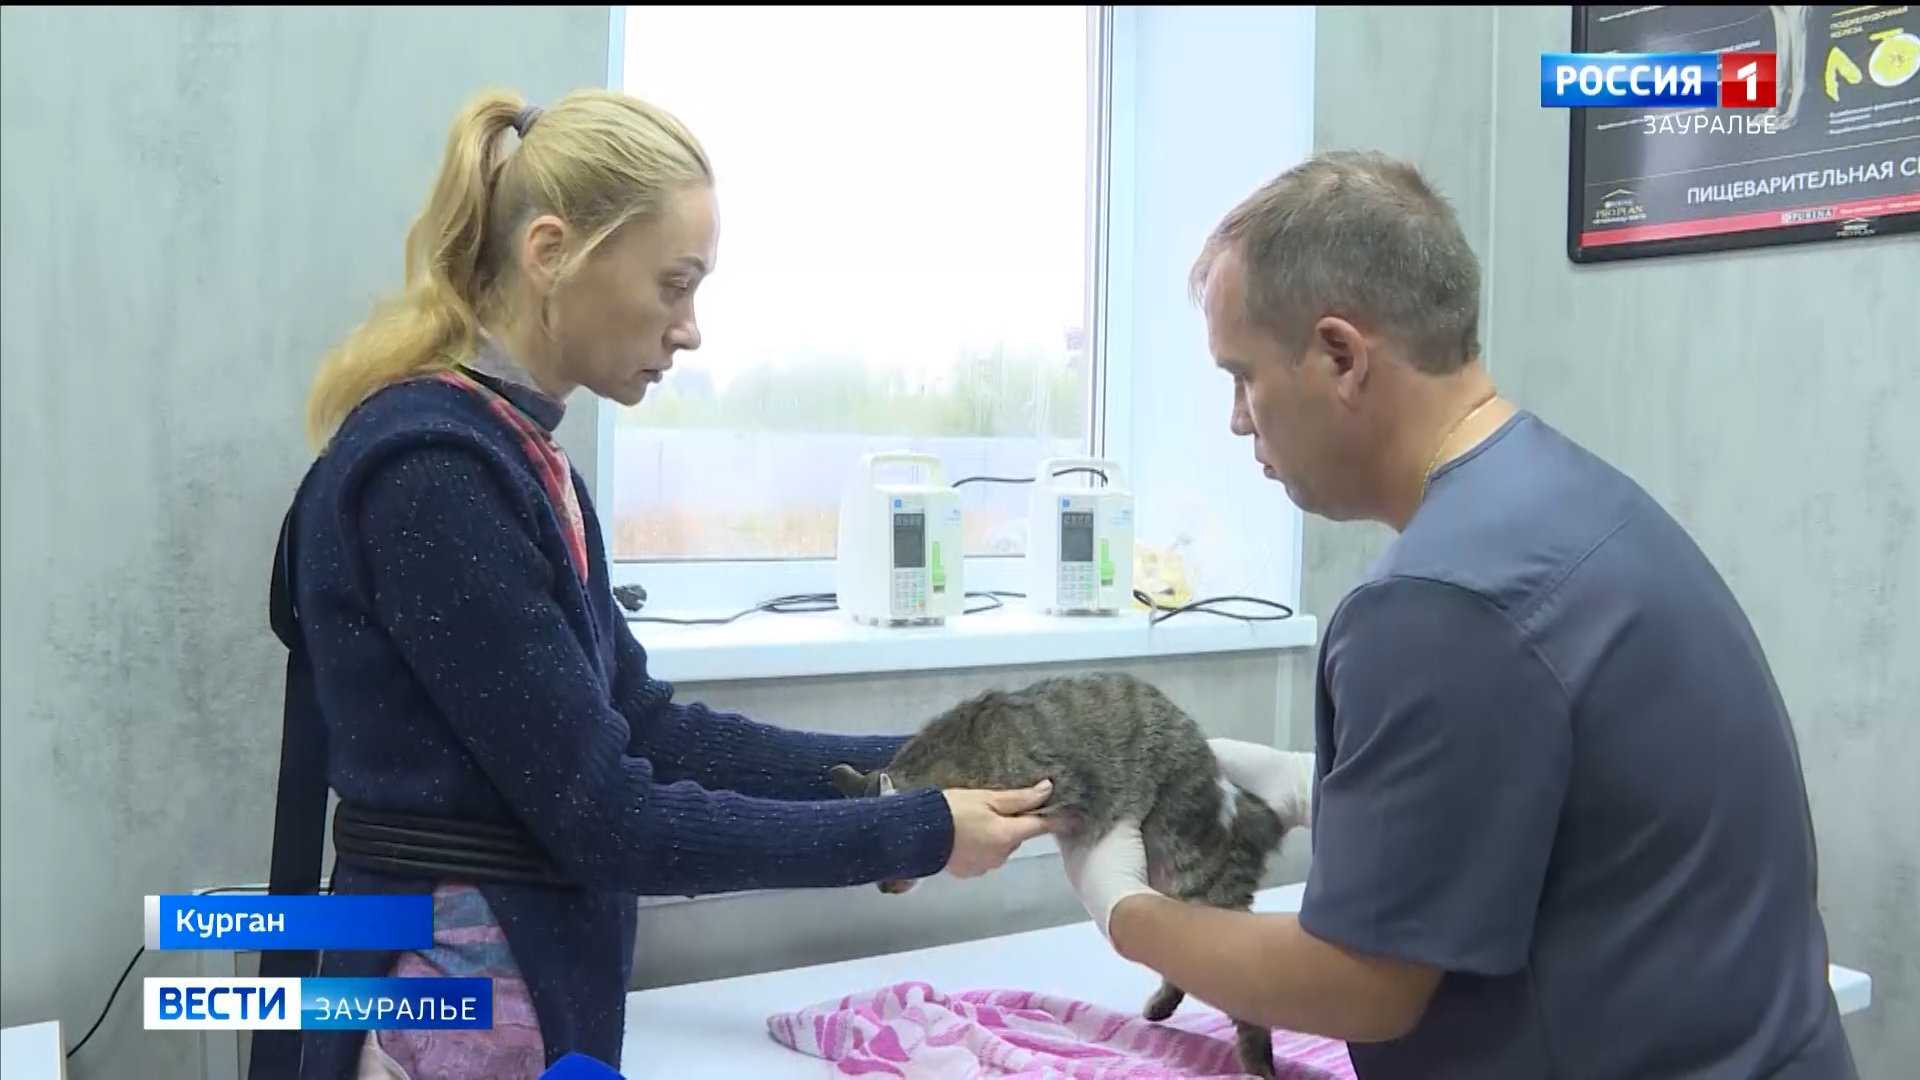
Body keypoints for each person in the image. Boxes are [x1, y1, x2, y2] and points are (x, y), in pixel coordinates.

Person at [253, 87, 1055, 1080]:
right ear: (551, 252)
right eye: (674, 285)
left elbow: (645, 727)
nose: (691, 329)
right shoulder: (435, 476)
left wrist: (921, 765)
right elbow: (612, 819)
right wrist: (914, 832)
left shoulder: (519, 460)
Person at [1057, 150, 1857, 1079]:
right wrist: (1335, 794)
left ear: (1341, 357)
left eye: (1243, 377)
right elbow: (1571, 794)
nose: (1238, 420)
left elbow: (1357, 985)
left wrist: (1126, 911)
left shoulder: (1433, 602)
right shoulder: (1575, 497)